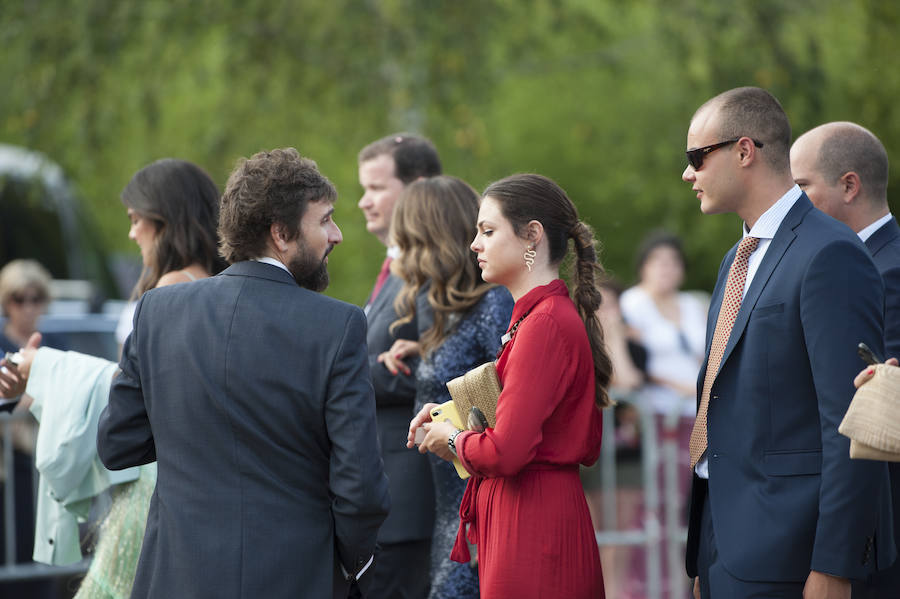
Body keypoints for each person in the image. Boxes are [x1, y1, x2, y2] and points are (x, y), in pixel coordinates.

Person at [97, 148, 390, 599]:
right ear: (281, 233)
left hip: (177, 577)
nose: (337, 234)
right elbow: (361, 490)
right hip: (297, 577)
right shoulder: (338, 325)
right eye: (325, 219)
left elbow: (118, 442)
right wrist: (347, 567)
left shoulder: (157, 310)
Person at [682, 87, 894, 599]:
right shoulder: (735, 258)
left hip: (795, 558)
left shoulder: (830, 254)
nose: (688, 174)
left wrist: (835, 565)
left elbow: (850, 422)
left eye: (696, 157)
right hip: (724, 548)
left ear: (744, 150)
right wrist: (705, 554)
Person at [0, 158, 225, 599]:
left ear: (163, 219)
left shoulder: (172, 288)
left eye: (134, 220)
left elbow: (145, 392)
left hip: (158, 482)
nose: (130, 233)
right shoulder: (217, 282)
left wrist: (41, 370)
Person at [408, 173, 610, 598]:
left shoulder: (544, 325)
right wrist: (449, 423)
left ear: (531, 236)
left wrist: (455, 436)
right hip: (532, 513)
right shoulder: (537, 319)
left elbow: (508, 451)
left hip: (534, 526)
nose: (474, 245)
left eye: (487, 230)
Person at [386, 176, 513, 598]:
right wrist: (422, 351)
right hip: (450, 512)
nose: (399, 252)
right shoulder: (440, 306)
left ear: (431, 239)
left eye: (407, 239)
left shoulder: (493, 301)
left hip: (480, 513)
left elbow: (512, 405)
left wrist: (492, 524)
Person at [790, 121, 900, 597]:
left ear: (849, 185)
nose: (791, 201)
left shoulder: (887, 270)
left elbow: (871, 417)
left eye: (801, 187)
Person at [357, 132, 442, 598]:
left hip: (411, 496)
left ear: (418, 187)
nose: (363, 202)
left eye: (376, 188)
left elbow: (434, 367)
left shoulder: (433, 271)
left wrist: (340, 372)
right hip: (385, 498)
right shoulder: (394, 269)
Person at [619, 232, 706, 599]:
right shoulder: (634, 303)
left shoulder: (694, 303)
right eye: (659, 261)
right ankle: (645, 587)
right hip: (656, 413)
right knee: (655, 506)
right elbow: (636, 359)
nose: (666, 269)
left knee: (684, 506)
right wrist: (677, 385)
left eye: (673, 262)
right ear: (644, 266)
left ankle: (678, 584)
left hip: (695, 413)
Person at [0, 259, 64, 599]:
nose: (27, 306)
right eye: (18, 298)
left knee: (48, 559)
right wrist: (35, 392)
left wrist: (22, 394)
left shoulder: (54, 341)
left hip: (51, 465)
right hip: (10, 470)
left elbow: (72, 391)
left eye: (35, 297)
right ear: (7, 301)